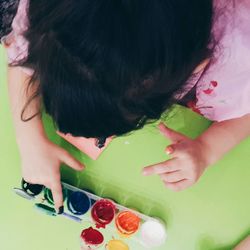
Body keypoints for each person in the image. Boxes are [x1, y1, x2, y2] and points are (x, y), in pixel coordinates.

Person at [1, 0, 250, 213]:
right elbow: (23, 57)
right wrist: (29, 140)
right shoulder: (56, 14)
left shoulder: (239, 54)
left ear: (194, 68)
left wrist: (208, 149)